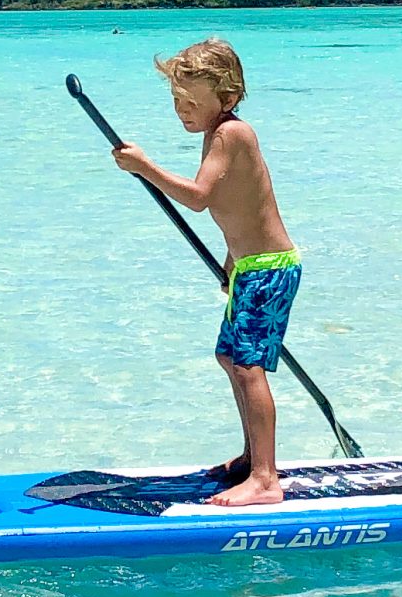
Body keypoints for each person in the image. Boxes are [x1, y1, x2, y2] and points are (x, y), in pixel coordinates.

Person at [108, 39, 299, 507]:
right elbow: (244, 207)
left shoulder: (233, 134)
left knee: (249, 367)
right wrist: (232, 262)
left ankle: (266, 478)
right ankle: (251, 457)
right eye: (176, 100)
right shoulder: (215, 137)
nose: (181, 111)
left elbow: (199, 198)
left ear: (227, 99)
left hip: (269, 270)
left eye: (191, 103)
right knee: (229, 357)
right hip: (249, 267)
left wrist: (145, 167)